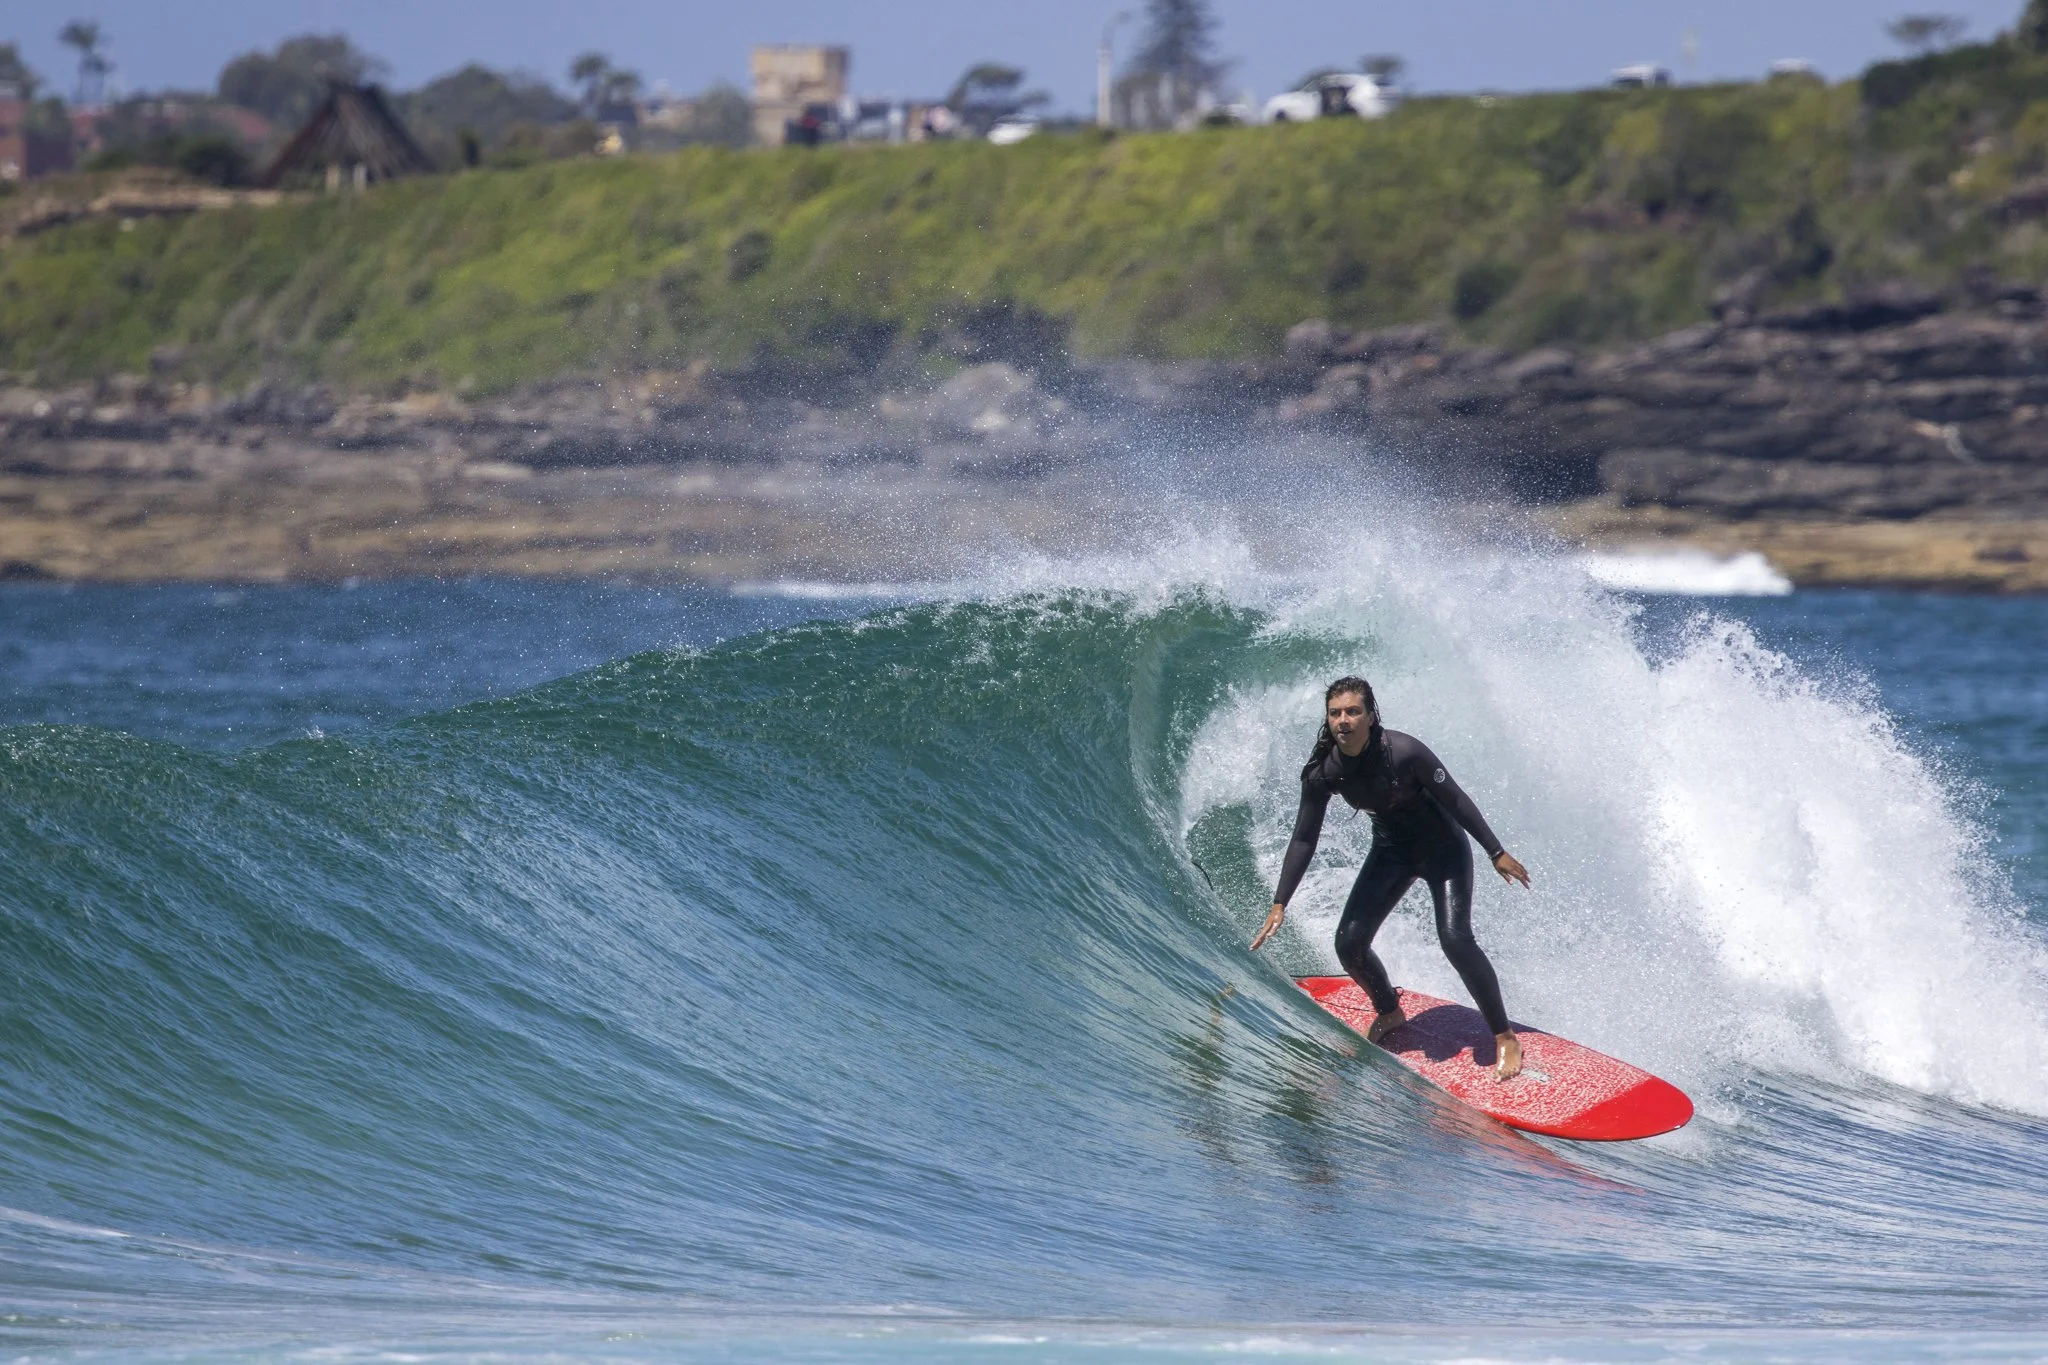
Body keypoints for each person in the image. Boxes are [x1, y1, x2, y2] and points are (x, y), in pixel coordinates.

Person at [1249, 676, 1533, 1079]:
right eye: (1335, 713)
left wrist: (1495, 851)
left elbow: (1456, 798)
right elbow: (1303, 837)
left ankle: (1504, 1035)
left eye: (1352, 711)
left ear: (1370, 715)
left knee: (1456, 940)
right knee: (1349, 945)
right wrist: (1280, 901)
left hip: (1444, 852)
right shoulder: (1323, 772)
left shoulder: (1405, 752)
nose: (1342, 720)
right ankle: (1389, 1009)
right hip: (1392, 853)